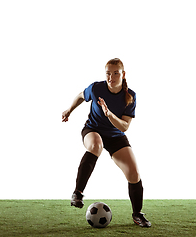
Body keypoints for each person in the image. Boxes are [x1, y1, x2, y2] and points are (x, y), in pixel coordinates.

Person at [62, 58, 151, 227]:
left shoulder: (130, 96)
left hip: (116, 136)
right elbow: (81, 96)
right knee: (96, 145)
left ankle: (137, 214)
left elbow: (124, 126)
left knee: (134, 173)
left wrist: (109, 114)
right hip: (93, 130)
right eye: (108, 74)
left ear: (123, 74)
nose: (111, 78)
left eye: (116, 73)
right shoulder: (96, 88)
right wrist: (69, 110)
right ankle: (77, 193)